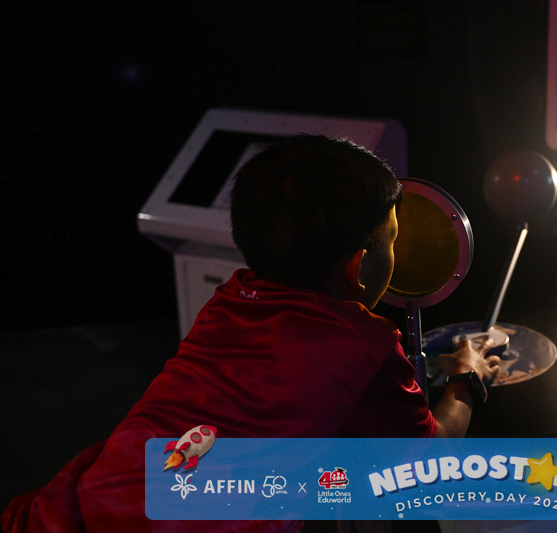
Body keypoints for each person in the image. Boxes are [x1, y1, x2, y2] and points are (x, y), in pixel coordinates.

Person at [2, 135, 500, 532]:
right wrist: (466, 379)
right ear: (359, 266)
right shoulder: (364, 342)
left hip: (79, 504)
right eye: (392, 240)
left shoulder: (228, 299)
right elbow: (424, 461)